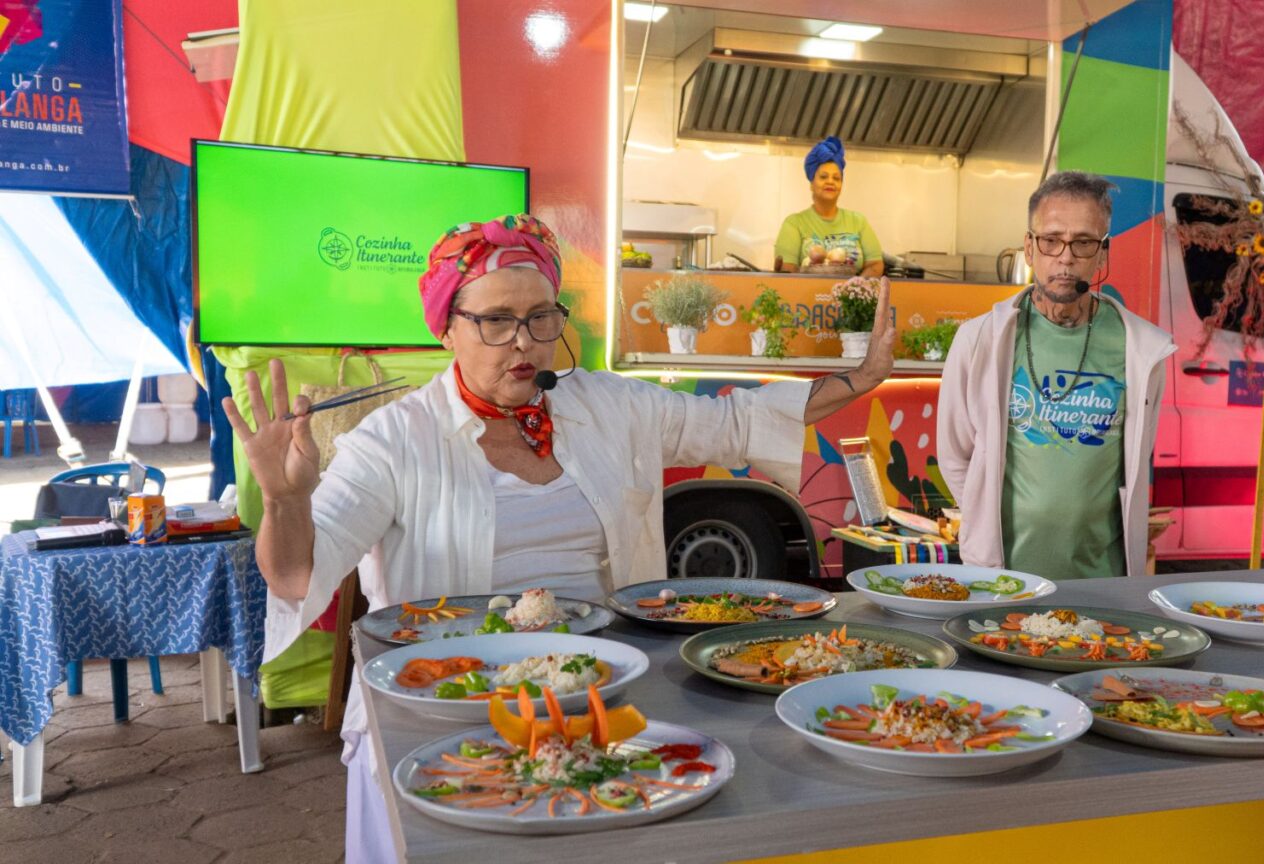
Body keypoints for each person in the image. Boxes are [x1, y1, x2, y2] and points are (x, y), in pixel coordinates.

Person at [222, 214, 895, 862]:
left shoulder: (608, 406)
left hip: (604, 698)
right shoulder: (394, 441)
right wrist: (285, 501)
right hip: (452, 715)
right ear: (446, 331)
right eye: (495, 320)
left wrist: (856, 380)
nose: (523, 341)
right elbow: (295, 578)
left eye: (540, 317)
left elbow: (736, 425)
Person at [937, 171, 1174, 580]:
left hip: (1104, 580)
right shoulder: (980, 340)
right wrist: (984, 522)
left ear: (1103, 254)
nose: (1065, 257)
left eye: (1083, 242)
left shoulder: (1141, 350)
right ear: (1029, 248)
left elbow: (1134, 463)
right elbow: (955, 456)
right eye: (1051, 240)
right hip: (1003, 580)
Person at [773, 135, 884, 277]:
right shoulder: (794, 224)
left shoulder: (858, 221)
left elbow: (875, 264)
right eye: (823, 177)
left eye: (836, 178)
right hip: (806, 297)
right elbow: (787, 272)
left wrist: (853, 290)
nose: (830, 182)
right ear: (812, 183)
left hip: (850, 298)